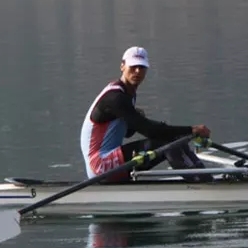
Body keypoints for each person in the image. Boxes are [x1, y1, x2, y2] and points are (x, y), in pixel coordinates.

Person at [79, 46, 212, 181]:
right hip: (100, 166)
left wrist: (133, 116)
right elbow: (151, 131)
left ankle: (204, 178)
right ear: (122, 66)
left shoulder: (127, 93)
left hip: (109, 161)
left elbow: (127, 132)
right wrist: (191, 130)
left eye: (141, 67)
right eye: (133, 66)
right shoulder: (115, 97)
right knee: (169, 144)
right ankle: (202, 183)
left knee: (174, 140)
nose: (137, 71)